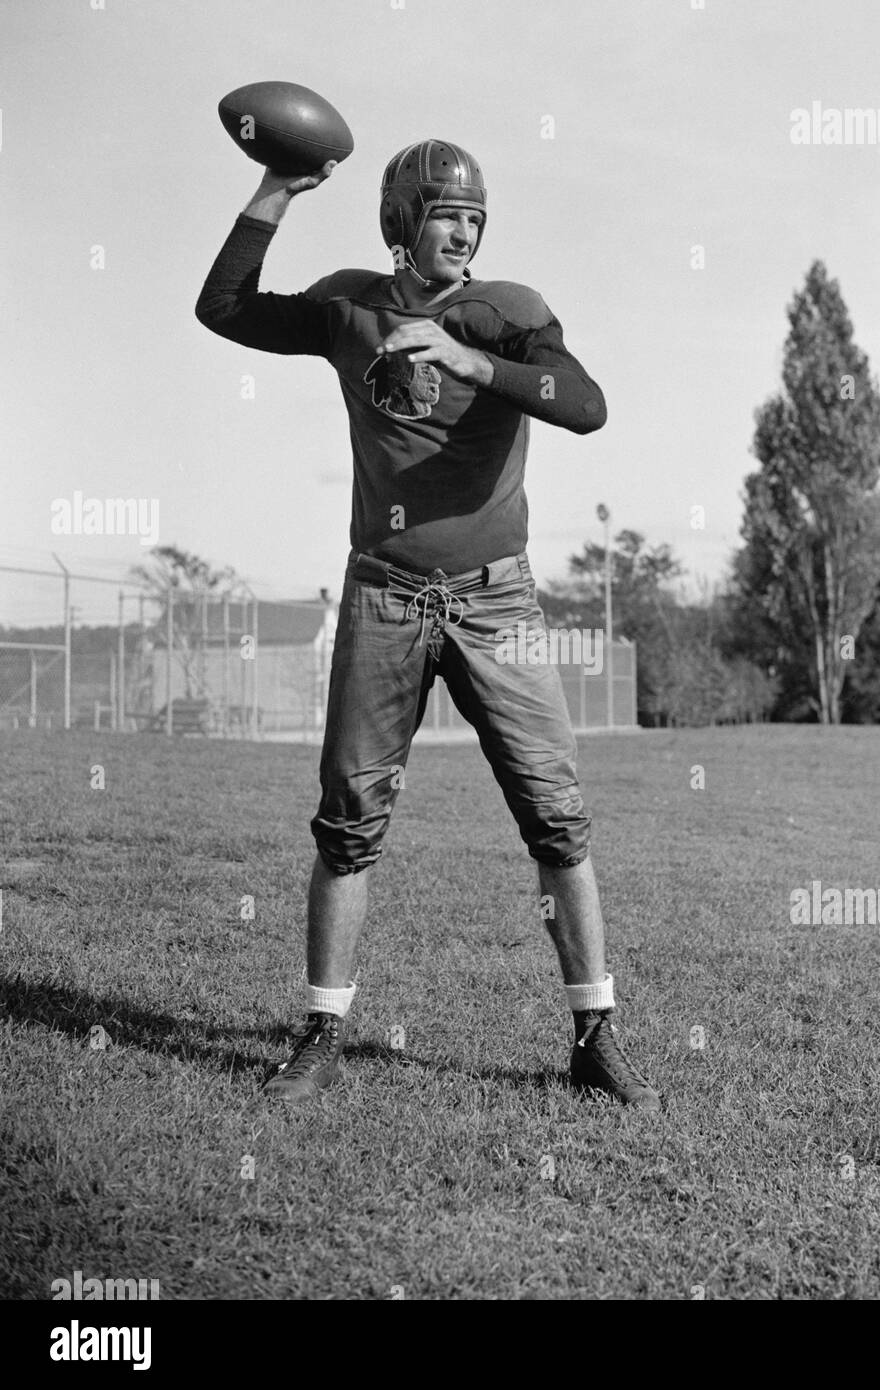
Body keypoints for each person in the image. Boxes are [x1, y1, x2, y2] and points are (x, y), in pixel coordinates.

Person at [195, 139, 659, 1111]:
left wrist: (468, 358)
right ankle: (322, 1030)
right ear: (404, 219)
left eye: (477, 217)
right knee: (348, 821)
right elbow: (224, 308)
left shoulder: (510, 312)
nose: (466, 230)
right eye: (448, 213)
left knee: (558, 814)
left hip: (499, 598)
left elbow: (587, 405)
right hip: (382, 592)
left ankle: (594, 1034)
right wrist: (275, 189)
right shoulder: (353, 303)